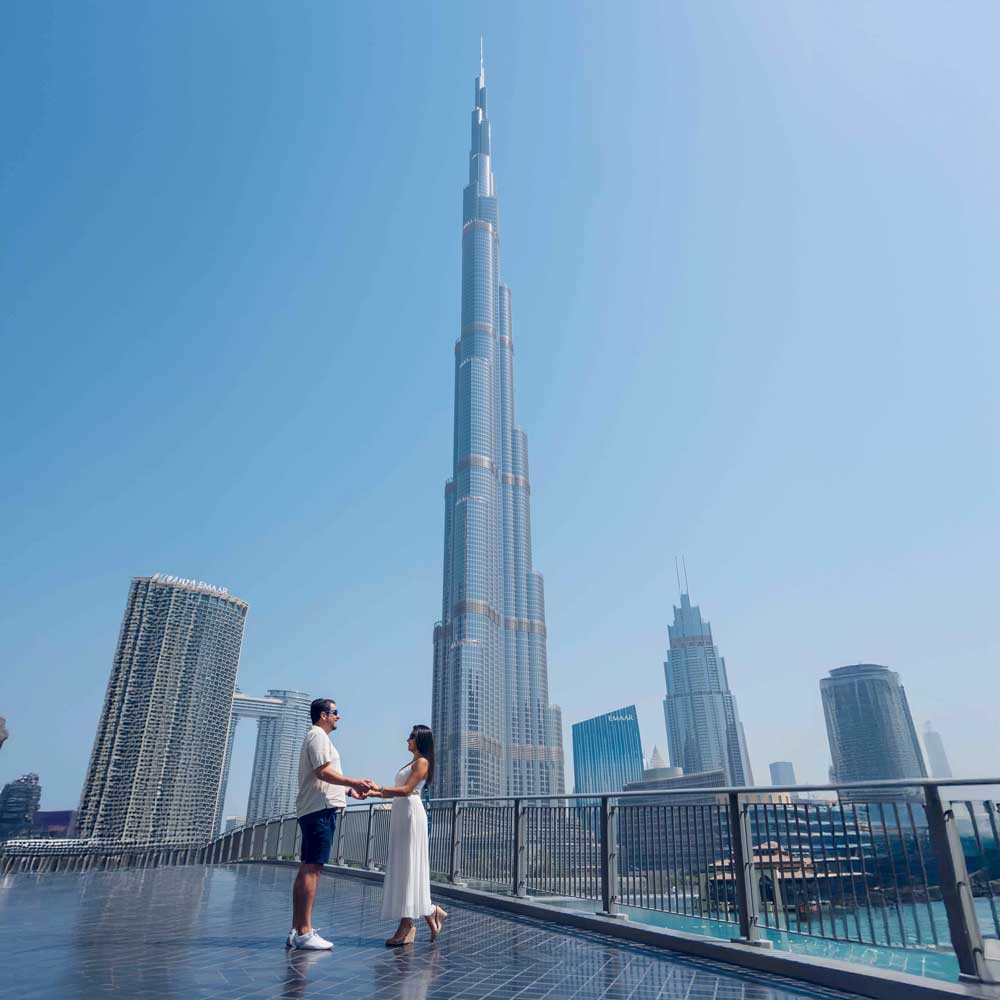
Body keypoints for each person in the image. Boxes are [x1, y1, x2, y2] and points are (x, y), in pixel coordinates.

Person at [288, 698, 374, 950]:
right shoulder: (317, 736)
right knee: (312, 869)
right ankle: (304, 932)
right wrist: (355, 781)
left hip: (317, 807)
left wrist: (348, 791)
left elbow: (324, 779)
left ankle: (297, 930)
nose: (339, 717)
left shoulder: (318, 738)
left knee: (308, 867)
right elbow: (322, 772)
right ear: (323, 715)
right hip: (319, 810)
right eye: (336, 713)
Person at [368, 724, 447, 946]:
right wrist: (377, 792)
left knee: (410, 866)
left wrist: (378, 790)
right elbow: (400, 790)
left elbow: (406, 790)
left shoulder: (422, 763)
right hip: (402, 813)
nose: (407, 739)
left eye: (411, 737)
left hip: (412, 814)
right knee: (404, 866)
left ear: (420, 740)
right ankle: (430, 912)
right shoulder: (412, 762)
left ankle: (407, 923)